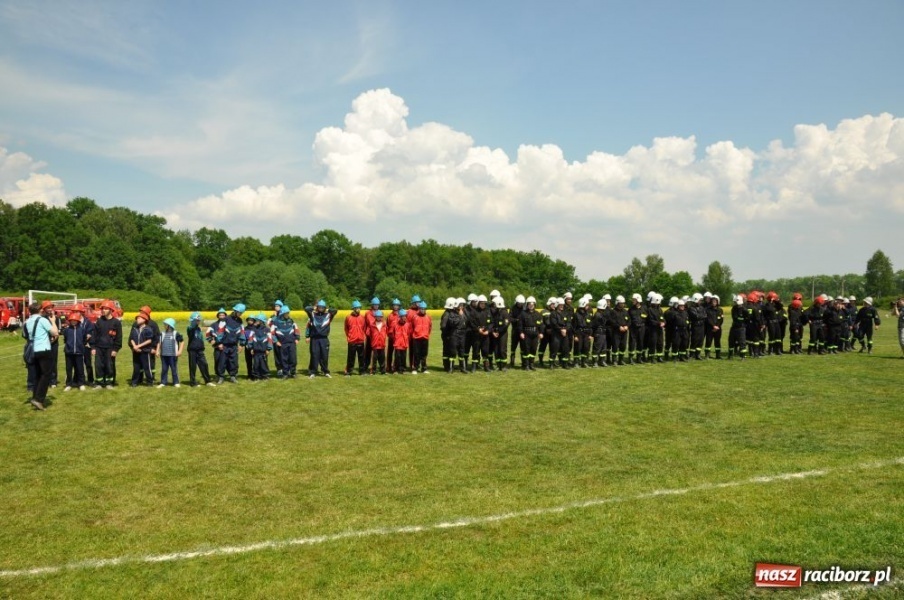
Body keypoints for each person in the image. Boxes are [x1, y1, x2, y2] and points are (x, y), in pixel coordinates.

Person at [24, 301, 59, 410]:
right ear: (40, 310)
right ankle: (39, 399)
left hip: (33, 350)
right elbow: (55, 333)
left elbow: (25, 335)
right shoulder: (43, 320)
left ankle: (34, 397)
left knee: (38, 375)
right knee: (46, 375)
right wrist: (53, 321)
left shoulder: (27, 321)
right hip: (43, 349)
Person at [93, 300, 122, 388]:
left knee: (109, 366)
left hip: (110, 348)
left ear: (111, 310)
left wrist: (115, 349)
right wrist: (93, 347)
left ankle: (109, 383)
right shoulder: (99, 321)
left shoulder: (116, 322)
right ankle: (99, 383)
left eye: (105, 309)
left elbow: (119, 337)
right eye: (102, 309)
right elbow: (95, 335)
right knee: (98, 366)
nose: (103, 310)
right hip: (99, 347)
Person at [305, 300, 338, 378]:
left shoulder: (329, 315)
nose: (321, 308)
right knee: (314, 355)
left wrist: (327, 309)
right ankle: (313, 371)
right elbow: (306, 308)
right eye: (319, 307)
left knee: (324, 355)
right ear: (317, 307)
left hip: (324, 339)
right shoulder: (312, 314)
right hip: (314, 339)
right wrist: (314, 307)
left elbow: (335, 310)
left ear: (324, 307)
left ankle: (325, 371)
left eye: (322, 307)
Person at [186, 311, 215, 387]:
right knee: (193, 366)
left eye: (199, 320)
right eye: (197, 320)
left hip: (200, 350)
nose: (198, 321)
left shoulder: (199, 328)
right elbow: (192, 328)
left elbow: (201, 338)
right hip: (192, 350)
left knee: (204, 364)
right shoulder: (190, 328)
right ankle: (193, 382)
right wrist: (193, 321)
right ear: (193, 320)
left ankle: (207, 381)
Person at [61, 311, 88, 391]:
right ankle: (69, 383)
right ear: (69, 321)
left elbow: (84, 340)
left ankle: (81, 383)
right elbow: (65, 340)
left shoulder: (82, 330)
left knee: (80, 369)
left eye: (75, 320)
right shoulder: (67, 330)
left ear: (78, 321)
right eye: (72, 320)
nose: (73, 321)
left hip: (79, 352)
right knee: (69, 368)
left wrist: (81, 346)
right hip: (69, 352)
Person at [272, 305, 301, 379]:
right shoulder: (276, 322)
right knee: (284, 359)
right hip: (282, 344)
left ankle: (293, 372)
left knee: (293, 359)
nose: (288, 314)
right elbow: (272, 333)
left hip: (291, 343)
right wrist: (276, 341)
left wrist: (297, 338)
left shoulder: (291, 321)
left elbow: (296, 330)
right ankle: (285, 374)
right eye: (286, 313)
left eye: (288, 313)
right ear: (282, 313)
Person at [129, 310, 155, 387]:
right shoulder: (135, 329)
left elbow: (149, 340)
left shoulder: (148, 329)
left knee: (147, 367)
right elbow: (131, 339)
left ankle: (149, 382)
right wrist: (134, 346)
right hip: (136, 351)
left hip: (145, 351)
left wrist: (139, 346)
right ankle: (134, 382)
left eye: (139, 318)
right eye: (137, 318)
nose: (137, 320)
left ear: (144, 320)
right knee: (136, 367)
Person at [518, 296, 544, 371]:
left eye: (532, 304)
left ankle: (531, 364)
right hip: (526, 333)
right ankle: (526, 365)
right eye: (529, 304)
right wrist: (521, 332)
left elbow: (541, 325)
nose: (531, 305)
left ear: (535, 305)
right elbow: (520, 325)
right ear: (527, 304)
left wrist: (541, 333)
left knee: (533, 349)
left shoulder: (538, 314)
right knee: (526, 349)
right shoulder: (523, 314)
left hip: (535, 334)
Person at [157, 318, 183, 387]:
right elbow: (159, 343)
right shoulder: (162, 333)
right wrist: (157, 351)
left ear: (170, 325)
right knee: (164, 369)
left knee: (174, 368)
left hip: (173, 355)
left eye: (165, 324)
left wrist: (180, 351)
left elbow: (182, 342)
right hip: (164, 355)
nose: (164, 325)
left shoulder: (176, 333)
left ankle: (176, 382)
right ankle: (163, 382)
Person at [344, 300, 367, 376]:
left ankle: (362, 371)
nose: (358, 309)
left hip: (360, 340)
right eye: (357, 308)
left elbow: (364, 328)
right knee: (351, 357)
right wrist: (349, 336)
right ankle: (349, 372)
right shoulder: (348, 317)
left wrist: (361, 335)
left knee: (361, 357)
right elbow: (346, 328)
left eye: (359, 308)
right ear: (353, 308)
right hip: (352, 340)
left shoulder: (362, 317)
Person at [249, 312, 272, 381]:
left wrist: (268, 349)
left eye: (257, 320)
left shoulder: (267, 329)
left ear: (261, 321)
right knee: (256, 364)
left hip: (264, 350)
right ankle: (256, 376)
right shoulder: (253, 329)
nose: (256, 321)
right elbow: (250, 338)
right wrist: (251, 348)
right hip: (255, 350)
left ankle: (265, 375)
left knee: (263, 363)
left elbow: (270, 339)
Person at [411, 300, 432, 373]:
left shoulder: (428, 317)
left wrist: (426, 334)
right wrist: (415, 334)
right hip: (417, 338)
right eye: (421, 309)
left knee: (424, 354)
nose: (423, 310)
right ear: (419, 309)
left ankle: (424, 368)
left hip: (425, 338)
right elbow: (412, 327)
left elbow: (430, 327)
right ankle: (415, 368)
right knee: (416, 353)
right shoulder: (415, 317)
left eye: (424, 309)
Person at [490, 296, 510, 371]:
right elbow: (492, 323)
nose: (494, 305)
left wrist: (498, 331)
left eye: (494, 303)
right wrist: (493, 331)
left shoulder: (505, 313)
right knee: (496, 349)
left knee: (502, 349)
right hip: (495, 333)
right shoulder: (494, 313)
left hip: (503, 334)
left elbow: (506, 325)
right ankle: (498, 365)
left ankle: (504, 365)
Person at [391, 309, 411, 374]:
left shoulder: (407, 325)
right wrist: (396, 340)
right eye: (403, 316)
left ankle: (403, 369)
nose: (404, 317)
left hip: (404, 344)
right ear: (399, 317)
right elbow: (392, 334)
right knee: (397, 357)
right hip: (397, 344)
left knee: (403, 357)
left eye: (405, 316)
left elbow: (408, 334)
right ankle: (395, 370)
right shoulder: (395, 324)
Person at [368, 310, 388, 374]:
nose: (379, 318)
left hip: (382, 343)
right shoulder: (372, 324)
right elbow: (369, 333)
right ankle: (373, 370)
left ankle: (383, 370)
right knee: (374, 358)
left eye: (380, 316)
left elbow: (386, 332)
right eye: (377, 316)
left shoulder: (384, 324)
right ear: (375, 317)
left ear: (382, 317)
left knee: (382, 357)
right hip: (375, 344)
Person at [727, 294, 748, 360]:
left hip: (741, 328)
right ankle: (730, 355)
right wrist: (741, 319)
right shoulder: (734, 309)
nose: (735, 303)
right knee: (731, 341)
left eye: (736, 302)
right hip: (734, 327)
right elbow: (735, 318)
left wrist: (741, 319)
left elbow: (747, 319)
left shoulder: (744, 310)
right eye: (734, 302)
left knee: (742, 342)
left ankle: (743, 356)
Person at [363, 297, 380, 372]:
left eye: (377, 305)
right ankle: (366, 366)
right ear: (372, 305)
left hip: (377, 336)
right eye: (375, 304)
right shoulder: (367, 313)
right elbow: (364, 324)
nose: (376, 306)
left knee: (377, 352)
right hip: (369, 335)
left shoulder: (380, 313)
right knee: (368, 352)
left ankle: (375, 367)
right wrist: (366, 332)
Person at [705, 295, 724, 359]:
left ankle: (718, 355)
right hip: (710, 329)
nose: (714, 302)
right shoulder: (707, 310)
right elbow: (708, 319)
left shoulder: (720, 310)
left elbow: (721, 319)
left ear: (718, 302)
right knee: (708, 341)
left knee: (717, 342)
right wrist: (713, 326)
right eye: (713, 301)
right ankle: (707, 355)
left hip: (718, 329)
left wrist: (717, 326)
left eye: (715, 301)